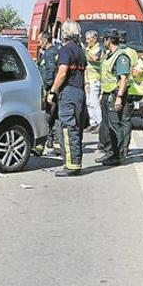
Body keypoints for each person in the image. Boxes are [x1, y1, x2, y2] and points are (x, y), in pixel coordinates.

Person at [46, 20, 87, 177]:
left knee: (68, 128)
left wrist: (52, 91)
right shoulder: (80, 50)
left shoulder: (65, 50)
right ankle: (75, 162)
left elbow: (62, 73)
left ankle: (71, 165)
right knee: (76, 128)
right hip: (79, 92)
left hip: (68, 92)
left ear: (64, 33)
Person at [96, 28, 134, 166]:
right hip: (107, 94)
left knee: (115, 126)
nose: (103, 41)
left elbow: (123, 78)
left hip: (115, 95)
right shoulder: (109, 55)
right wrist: (102, 94)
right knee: (107, 126)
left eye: (104, 39)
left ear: (109, 40)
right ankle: (110, 153)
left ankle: (119, 155)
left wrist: (119, 97)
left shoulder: (121, 56)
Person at [34, 32, 60, 156]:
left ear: (45, 40)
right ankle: (57, 144)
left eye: (39, 41)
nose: (39, 44)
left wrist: (46, 88)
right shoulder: (56, 51)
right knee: (55, 117)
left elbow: (50, 72)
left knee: (46, 117)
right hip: (57, 88)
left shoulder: (49, 53)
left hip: (50, 89)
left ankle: (39, 146)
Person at [83, 30, 103, 134]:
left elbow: (95, 58)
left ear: (94, 39)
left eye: (88, 39)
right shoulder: (88, 48)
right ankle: (93, 122)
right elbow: (86, 65)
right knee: (89, 102)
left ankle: (100, 122)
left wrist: (86, 51)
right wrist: (86, 81)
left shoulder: (98, 48)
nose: (86, 41)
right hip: (89, 78)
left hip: (96, 78)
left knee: (94, 102)